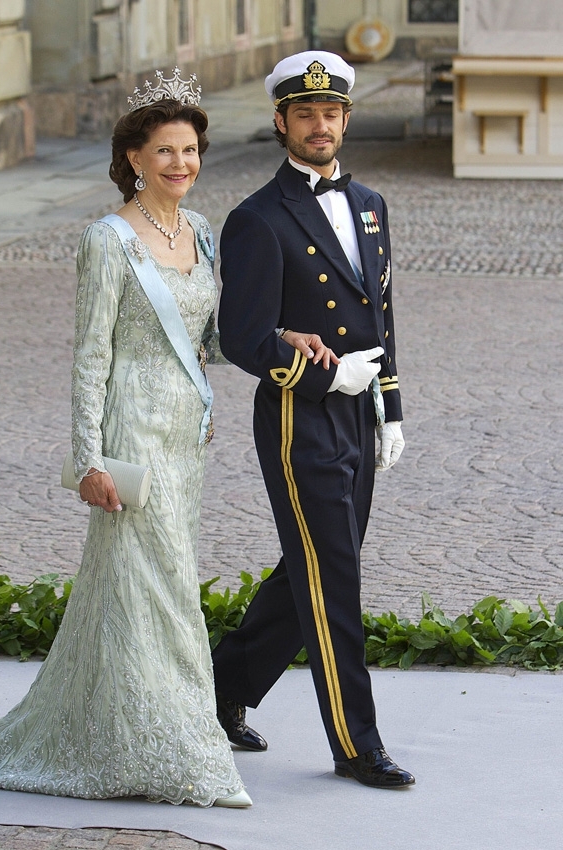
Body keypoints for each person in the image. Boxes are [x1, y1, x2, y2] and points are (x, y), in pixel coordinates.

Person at [0, 69, 255, 808]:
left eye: (190, 150)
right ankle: (176, 746)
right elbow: (91, 356)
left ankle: (129, 729)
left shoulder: (205, 233)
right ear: (133, 159)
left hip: (186, 440)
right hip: (130, 433)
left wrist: (284, 338)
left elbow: (210, 341)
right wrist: (88, 458)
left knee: (150, 587)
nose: (180, 164)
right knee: (156, 593)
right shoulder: (108, 240)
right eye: (165, 152)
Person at [212, 52, 415, 789]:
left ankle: (220, 690)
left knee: (315, 567)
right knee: (335, 581)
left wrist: (388, 406)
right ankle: (357, 743)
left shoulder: (371, 204)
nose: (320, 124)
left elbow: (381, 314)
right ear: (280, 121)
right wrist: (332, 373)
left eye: (331, 113)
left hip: (360, 415)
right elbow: (243, 338)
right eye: (305, 114)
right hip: (301, 418)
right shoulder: (257, 220)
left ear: (345, 119)